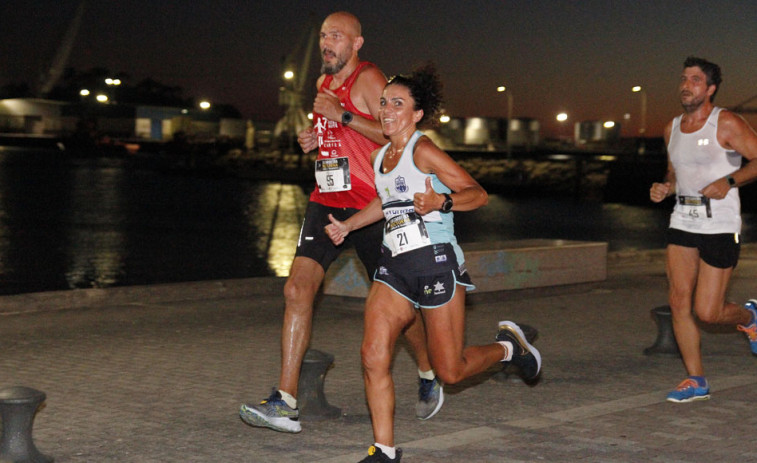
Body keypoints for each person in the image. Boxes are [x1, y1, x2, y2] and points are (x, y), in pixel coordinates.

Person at [325, 63, 542, 463]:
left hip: (435, 263)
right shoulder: (379, 156)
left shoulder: (423, 150)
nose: (388, 110)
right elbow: (385, 201)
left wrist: (441, 201)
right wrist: (349, 225)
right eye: (385, 103)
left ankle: (510, 347)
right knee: (373, 354)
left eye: (398, 104)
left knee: (450, 371)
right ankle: (384, 452)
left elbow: (477, 193)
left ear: (417, 114)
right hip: (394, 267)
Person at [239, 11, 441, 434]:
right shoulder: (321, 85)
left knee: (399, 314)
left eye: (336, 36)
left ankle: (428, 370)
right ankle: (286, 400)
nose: (327, 43)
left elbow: (396, 137)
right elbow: (333, 142)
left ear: (356, 43)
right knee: (296, 288)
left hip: (372, 208)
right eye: (324, 36)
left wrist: (343, 114)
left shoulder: (369, 80)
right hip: (326, 200)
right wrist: (312, 142)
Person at [650, 56, 757, 403]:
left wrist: (729, 180)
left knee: (708, 312)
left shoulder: (725, 122)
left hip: (720, 224)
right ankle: (696, 379)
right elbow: (673, 170)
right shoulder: (672, 128)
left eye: (695, 80)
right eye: (683, 78)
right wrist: (665, 186)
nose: (686, 85)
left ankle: (749, 316)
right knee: (679, 301)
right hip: (682, 219)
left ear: (710, 89)